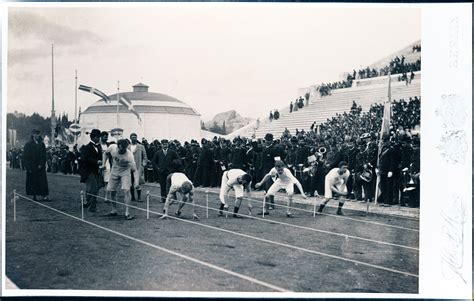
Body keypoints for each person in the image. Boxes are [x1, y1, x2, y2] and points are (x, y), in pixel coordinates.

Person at [103, 139, 139, 220]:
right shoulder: (112, 147)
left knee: (126, 190)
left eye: (123, 150)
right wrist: (103, 164)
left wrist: (136, 182)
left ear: (126, 148)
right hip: (115, 170)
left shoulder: (129, 156)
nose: (121, 151)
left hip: (125, 171)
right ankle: (114, 210)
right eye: (120, 149)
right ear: (117, 146)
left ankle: (127, 213)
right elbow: (105, 154)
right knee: (111, 191)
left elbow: (135, 170)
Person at [79, 129, 103, 212]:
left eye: (99, 137)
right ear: (92, 137)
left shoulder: (99, 147)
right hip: (88, 170)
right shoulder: (86, 147)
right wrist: (96, 161)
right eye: (97, 137)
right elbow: (85, 158)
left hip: (96, 170)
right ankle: (92, 207)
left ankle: (87, 202)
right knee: (93, 188)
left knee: (95, 187)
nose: (99, 138)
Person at [23, 129, 49, 201]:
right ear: (33, 135)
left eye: (38, 134)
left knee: (42, 181)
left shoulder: (42, 144)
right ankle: (34, 196)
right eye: (36, 134)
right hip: (32, 166)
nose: (38, 135)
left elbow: (44, 156)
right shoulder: (28, 144)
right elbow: (25, 157)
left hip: (40, 167)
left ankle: (44, 196)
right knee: (33, 182)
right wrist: (28, 167)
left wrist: (41, 164)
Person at [130, 133, 148, 202]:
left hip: (138, 167)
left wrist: (143, 164)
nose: (134, 138)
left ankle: (139, 197)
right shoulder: (128, 147)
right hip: (130, 167)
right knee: (130, 182)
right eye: (132, 137)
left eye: (135, 137)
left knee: (138, 182)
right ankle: (132, 197)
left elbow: (145, 156)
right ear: (130, 138)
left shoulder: (141, 146)